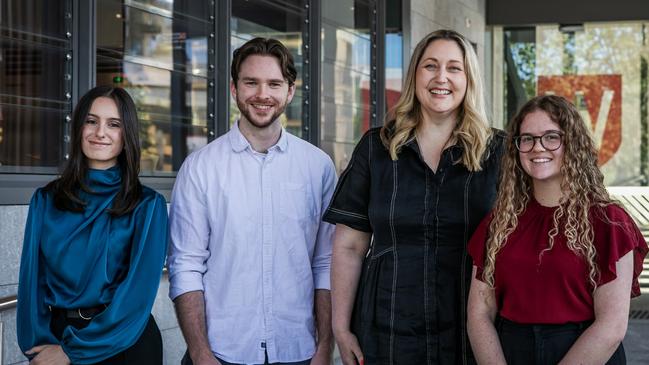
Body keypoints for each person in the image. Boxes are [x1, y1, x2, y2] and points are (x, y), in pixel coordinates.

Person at [323, 29, 505, 364]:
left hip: (473, 334)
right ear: (415, 76)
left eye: (454, 68)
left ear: (469, 79)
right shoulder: (376, 147)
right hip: (387, 330)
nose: (441, 77)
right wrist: (340, 327)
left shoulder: (499, 152)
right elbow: (348, 247)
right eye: (430, 66)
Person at [167, 37, 336, 365]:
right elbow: (185, 265)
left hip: (299, 351)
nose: (262, 94)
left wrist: (325, 347)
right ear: (234, 89)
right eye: (251, 82)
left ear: (290, 91)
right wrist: (201, 354)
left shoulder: (318, 168)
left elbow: (326, 263)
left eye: (274, 83)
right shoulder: (201, 168)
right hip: (220, 353)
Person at [467, 95, 649, 364]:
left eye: (551, 137)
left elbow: (611, 327)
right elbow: (479, 313)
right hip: (511, 353)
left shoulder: (609, 222)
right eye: (527, 138)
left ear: (572, 144)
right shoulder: (499, 222)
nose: (537, 147)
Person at [16, 85, 169, 365]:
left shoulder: (148, 206)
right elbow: (31, 283)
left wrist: (72, 352)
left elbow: (136, 297)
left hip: (125, 345)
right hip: (57, 342)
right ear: (78, 129)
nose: (100, 132)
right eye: (91, 121)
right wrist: (38, 345)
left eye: (114, 124)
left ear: (127, 135)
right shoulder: (45, 200)